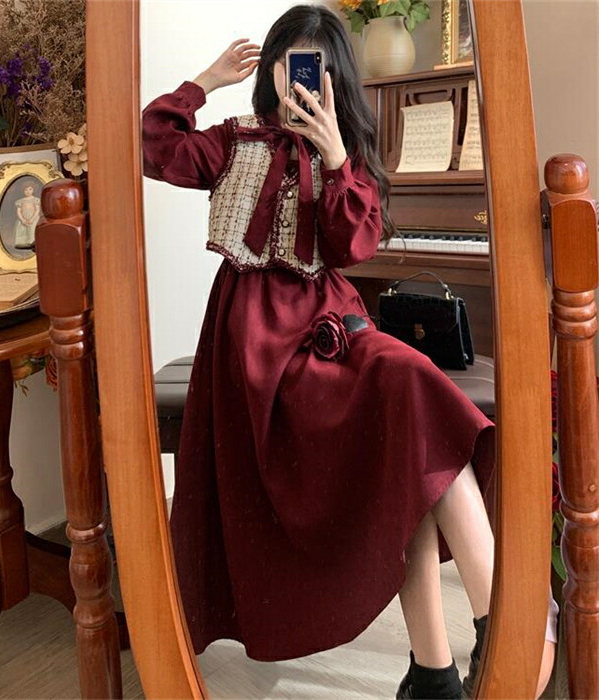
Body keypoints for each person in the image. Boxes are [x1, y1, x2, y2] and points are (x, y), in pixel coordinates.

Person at [142, 5, 555, 698]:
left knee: (409, 394)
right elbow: (153, 144)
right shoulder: (232, 141)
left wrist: (335, 157)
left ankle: (463, 649)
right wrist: (205, 81)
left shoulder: (345, 153)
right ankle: (499, 634)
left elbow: (354, 245)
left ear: (335, 77)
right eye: (290, 62)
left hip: (331, 327)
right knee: (408, 408)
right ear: (271, 67)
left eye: (316, 66)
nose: (301, 79)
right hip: (256, 347)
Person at [13, 183, 41, 250]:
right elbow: (18, 211)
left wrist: (32, 219)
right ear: (23, 191)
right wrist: (22, 220)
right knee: (22, 231)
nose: (28, 191)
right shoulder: (20, 201)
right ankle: (23, 244)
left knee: (32, 230)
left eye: (30, 189)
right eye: (26, 190)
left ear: (33, 190)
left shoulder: (36, 200)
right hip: (23, 219)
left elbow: (37, 210)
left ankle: (32, 243)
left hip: (33, 218)